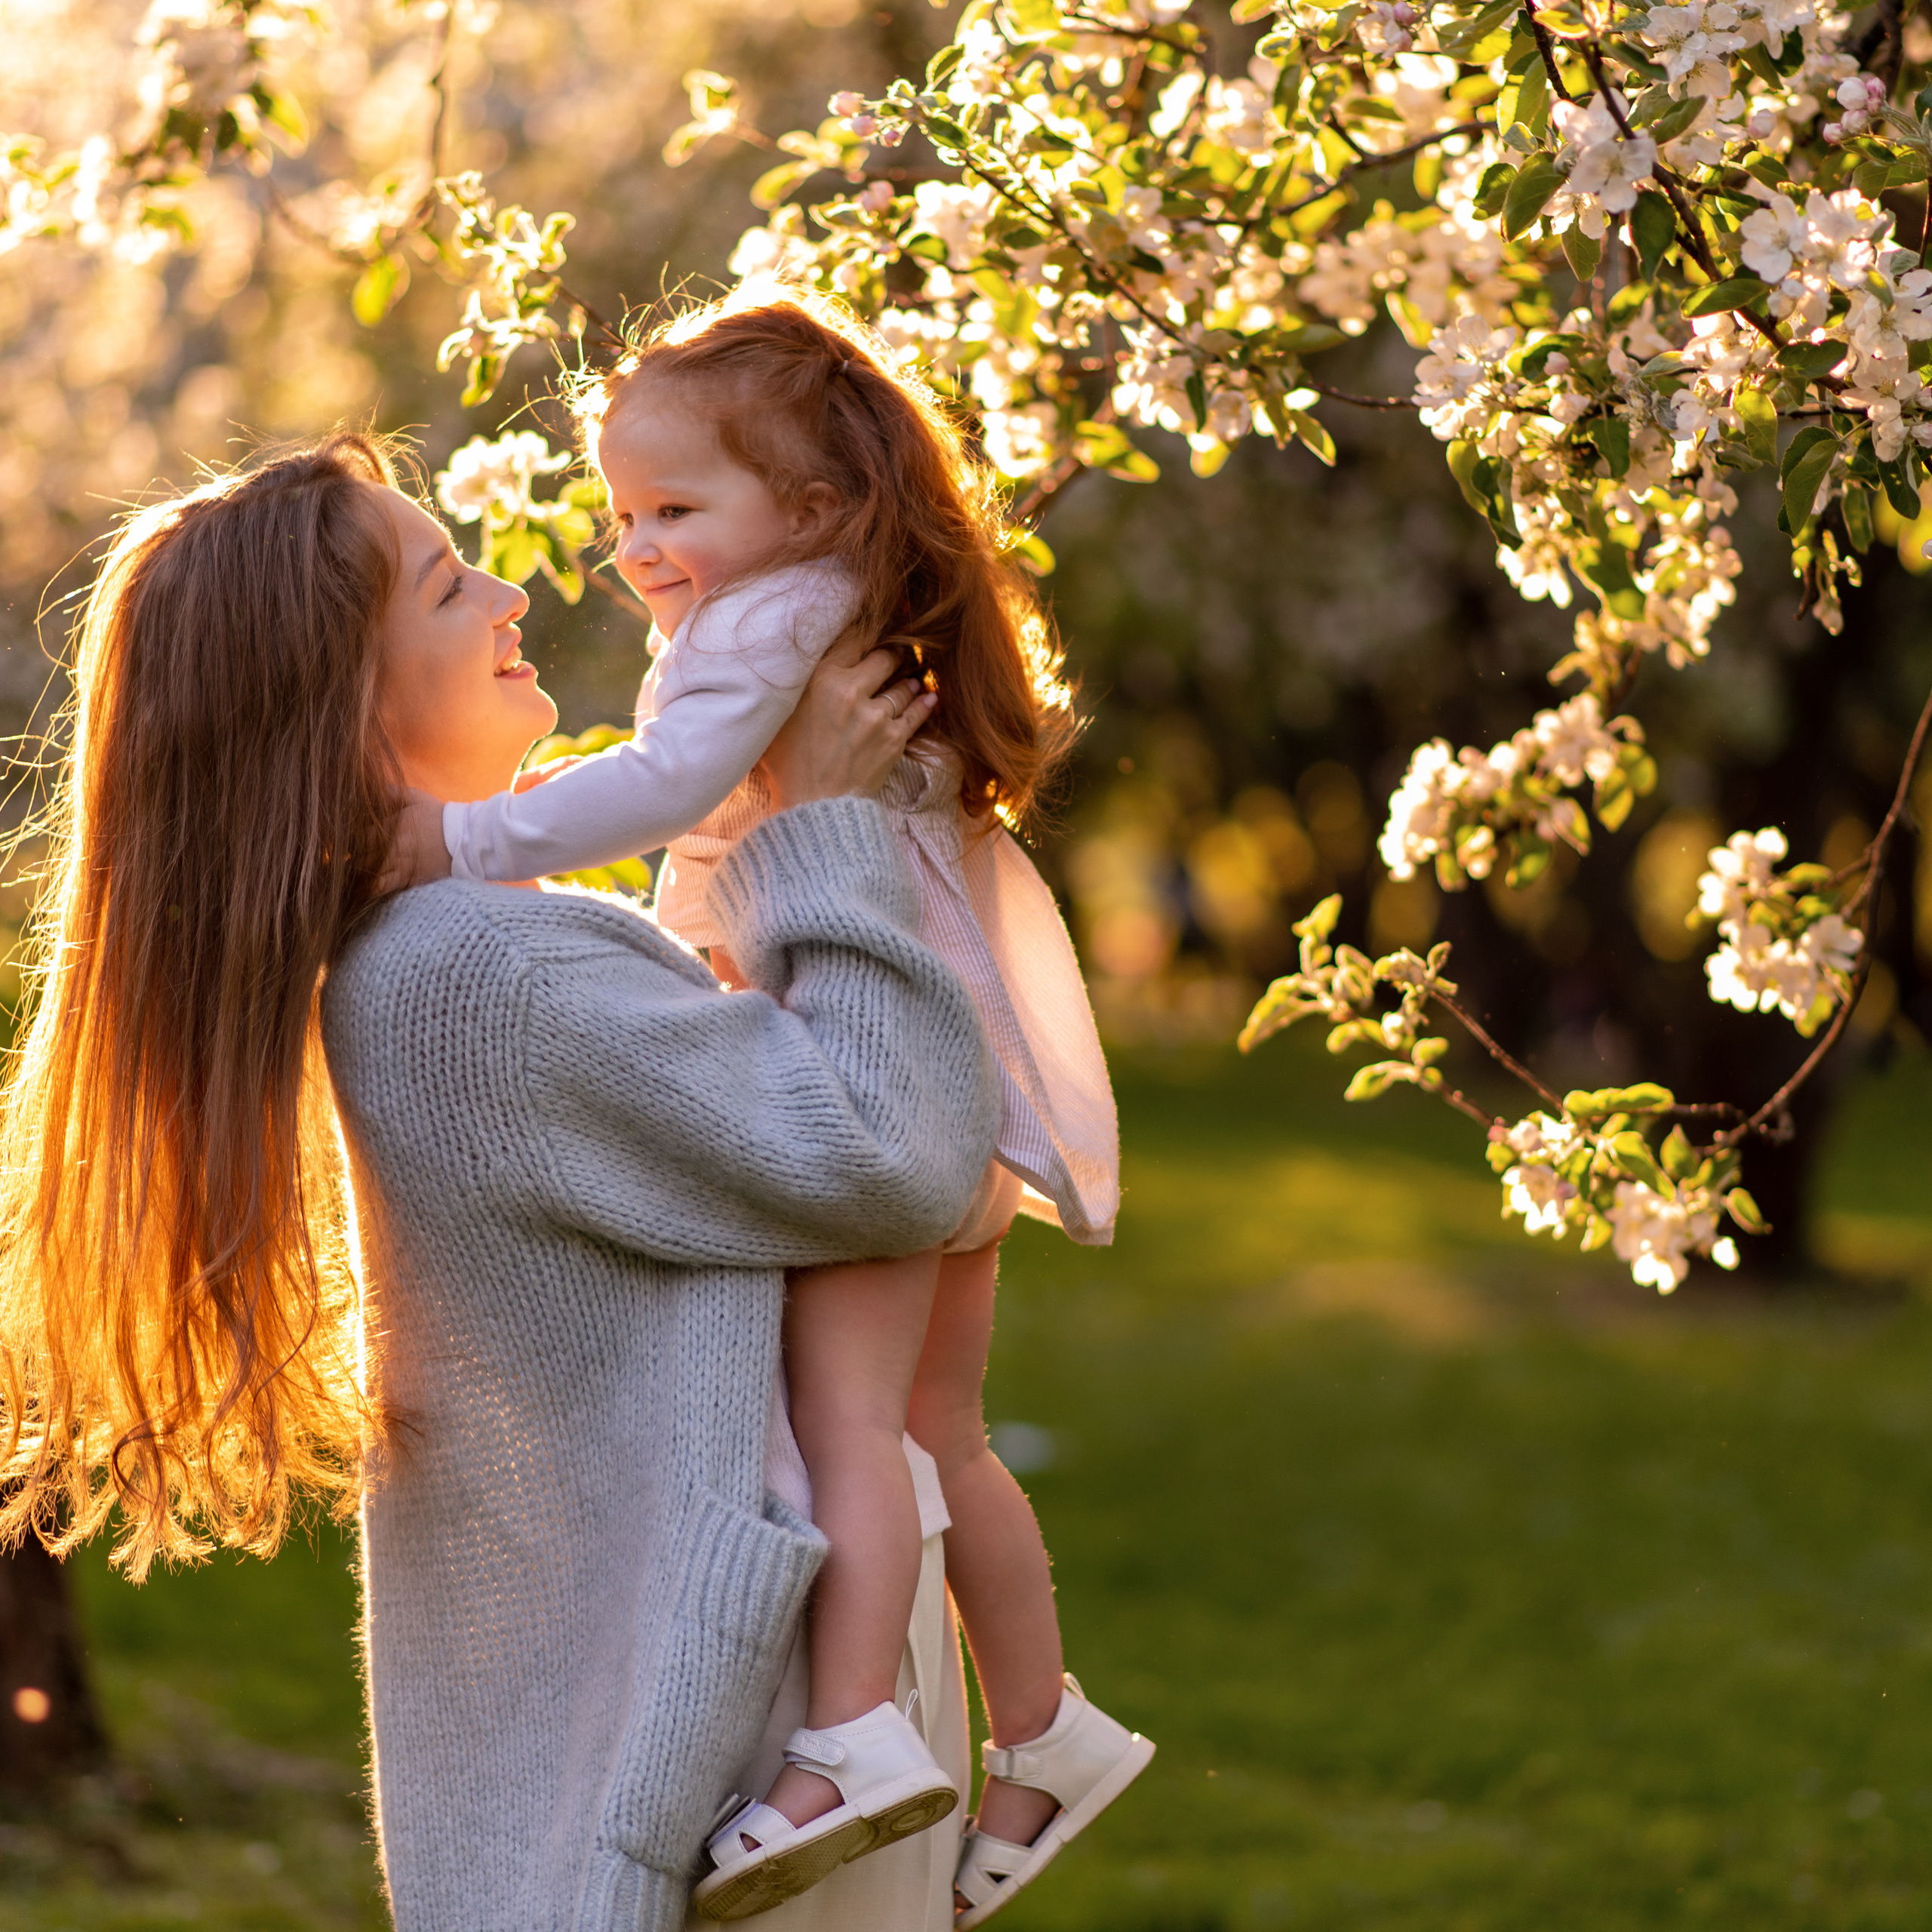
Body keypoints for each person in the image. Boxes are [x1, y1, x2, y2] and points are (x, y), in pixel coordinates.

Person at [0, 432, 1000, 1932]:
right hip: (740, 1730)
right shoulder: (470, 975)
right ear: (342, 700)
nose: (510, 592)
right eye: (447, 583)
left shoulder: (458, 950)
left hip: (717, 1696)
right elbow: (893, 1152)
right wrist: (826, 834)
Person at [398, 291, 1155, 1924]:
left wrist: (457, 842)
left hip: (871, 1057)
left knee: (851, 1433)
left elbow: (676, 794)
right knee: (941, 1431)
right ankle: (1042, 1722)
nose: (632, 550)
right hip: (951, 1052)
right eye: (623, 515)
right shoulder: (842, 605)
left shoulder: (763, 625)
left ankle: (853, 1735)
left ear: (808, 505)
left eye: (674, 509)